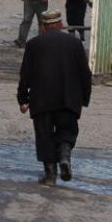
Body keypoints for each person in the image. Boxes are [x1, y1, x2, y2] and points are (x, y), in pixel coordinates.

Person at [17, 10, 92, 186]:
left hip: (41, 99)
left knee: (44, 136)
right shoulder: (74, 43)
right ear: (60, 25)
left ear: (43, 26)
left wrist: (23, 99)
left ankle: (50, 176)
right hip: (69, 98)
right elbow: (85, 74)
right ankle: (65, 157)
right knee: (67, 131)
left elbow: (25, 74)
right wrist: (84, 99)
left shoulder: (34, 44)